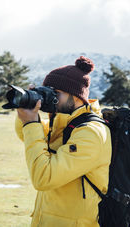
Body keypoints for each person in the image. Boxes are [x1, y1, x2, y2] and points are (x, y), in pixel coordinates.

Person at [14, 56, 112, 227]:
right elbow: (25, 134)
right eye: (47, 90)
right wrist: (28, 105)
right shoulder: (60, 124)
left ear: (76, 97)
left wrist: (31, 122)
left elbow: (44, 178)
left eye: (56, 93)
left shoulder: (90, 133)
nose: (49, 96)